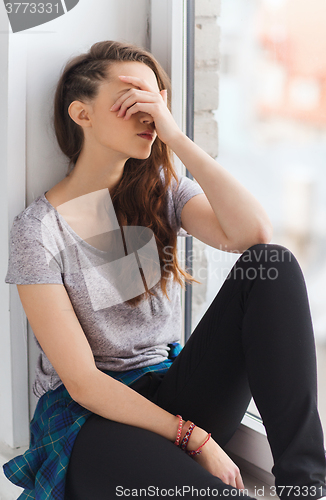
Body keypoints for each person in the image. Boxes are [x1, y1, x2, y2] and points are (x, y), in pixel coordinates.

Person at [3, 40, 326, 500]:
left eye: (156, 102)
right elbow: (84, 382)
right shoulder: (37, 231)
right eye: (133, 101)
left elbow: (252, 234)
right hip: (92, 418)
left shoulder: (163, 189)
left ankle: (305, 487)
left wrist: (176, 138)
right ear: (82, 114)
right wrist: (193, 438)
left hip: (171, 388)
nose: (149, 115)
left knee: (271, 265)